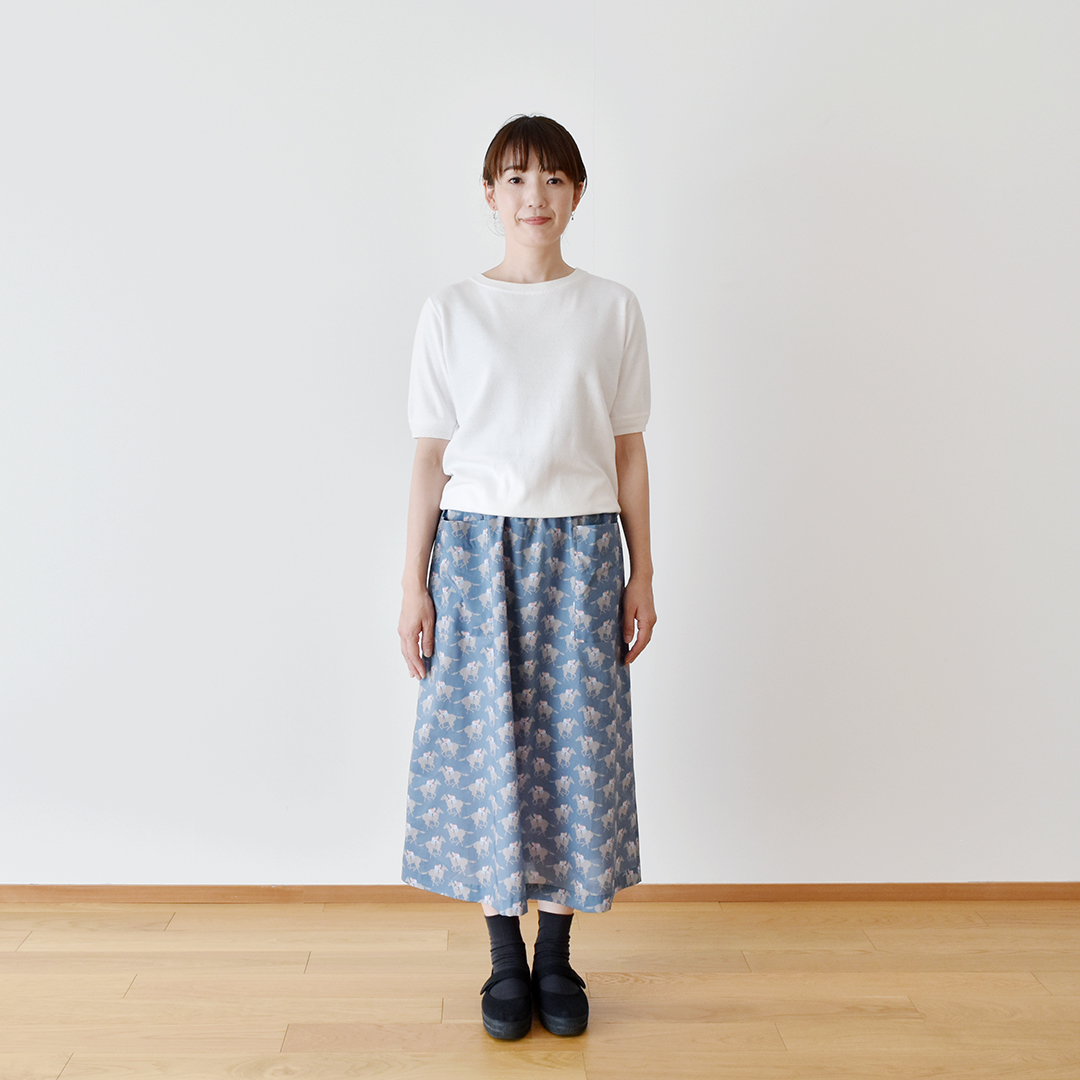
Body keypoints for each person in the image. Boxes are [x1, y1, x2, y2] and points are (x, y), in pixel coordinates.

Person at [397, 114, 656, 1041]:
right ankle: (504, 957)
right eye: (514, 179)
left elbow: (627, 452)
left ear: (577, 193)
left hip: (582, 549)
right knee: (488, 748)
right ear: (489, 194)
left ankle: (556, 955)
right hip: (475, 553)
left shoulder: (611, 308)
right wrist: (413, 583)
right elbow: (431, 458)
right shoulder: (451, 311)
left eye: (551, 179)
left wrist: (642, 570)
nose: (533, 198)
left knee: (576, 749)